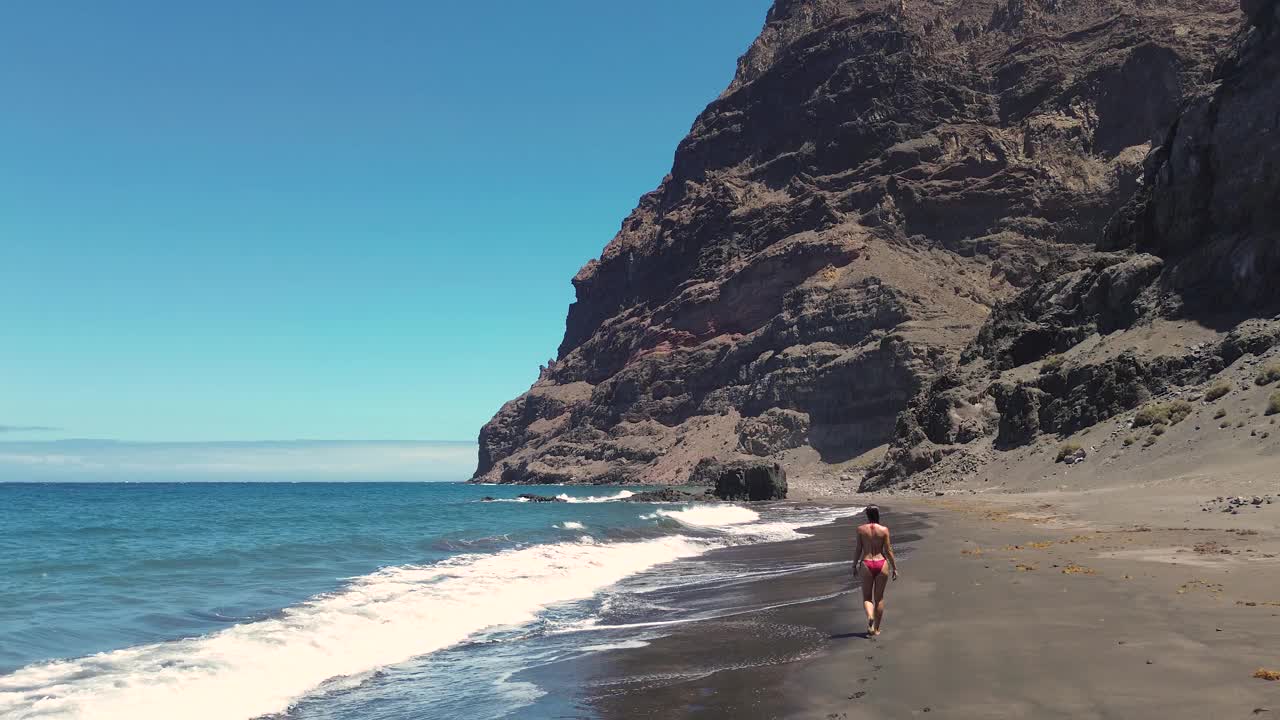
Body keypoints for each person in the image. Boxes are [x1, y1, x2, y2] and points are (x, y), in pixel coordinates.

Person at [853, 505, 898, 637]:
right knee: (879, 598)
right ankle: (876, 629)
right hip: (881, 563)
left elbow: (858, 549)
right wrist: (895, 567)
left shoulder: (860, 529)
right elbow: (888, 550)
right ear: (877, 514)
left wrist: (854, 565)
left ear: (867, 514)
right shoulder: (884, 530)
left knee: (867, 597)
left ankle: (870, 617)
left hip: (866, 563)